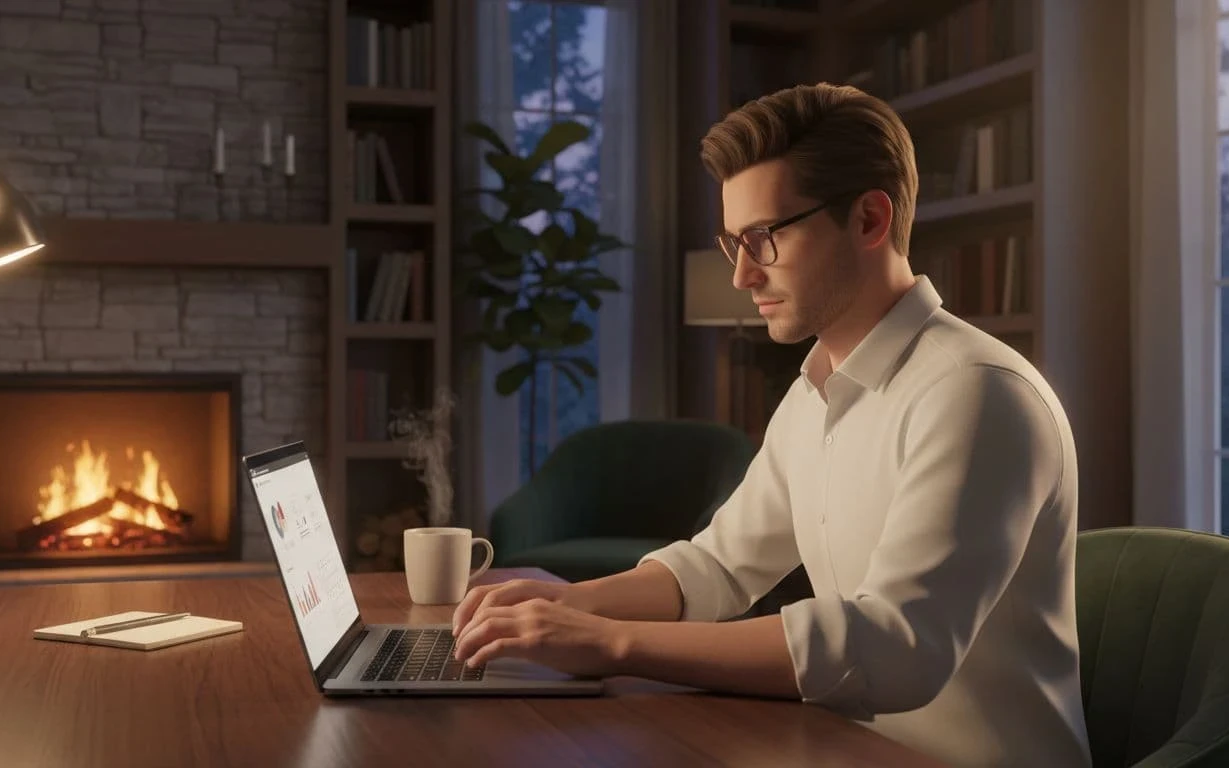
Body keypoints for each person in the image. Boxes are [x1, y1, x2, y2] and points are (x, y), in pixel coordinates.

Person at [450, 82, 1091, 768]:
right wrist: (571, 607)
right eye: (734, 243)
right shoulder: (813, 393)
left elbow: (898, 649)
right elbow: (719, 566)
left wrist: (610, 643)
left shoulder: (976, 395)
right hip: (842, 747)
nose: (743, 276)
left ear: (870, 219)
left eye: (764, 238)